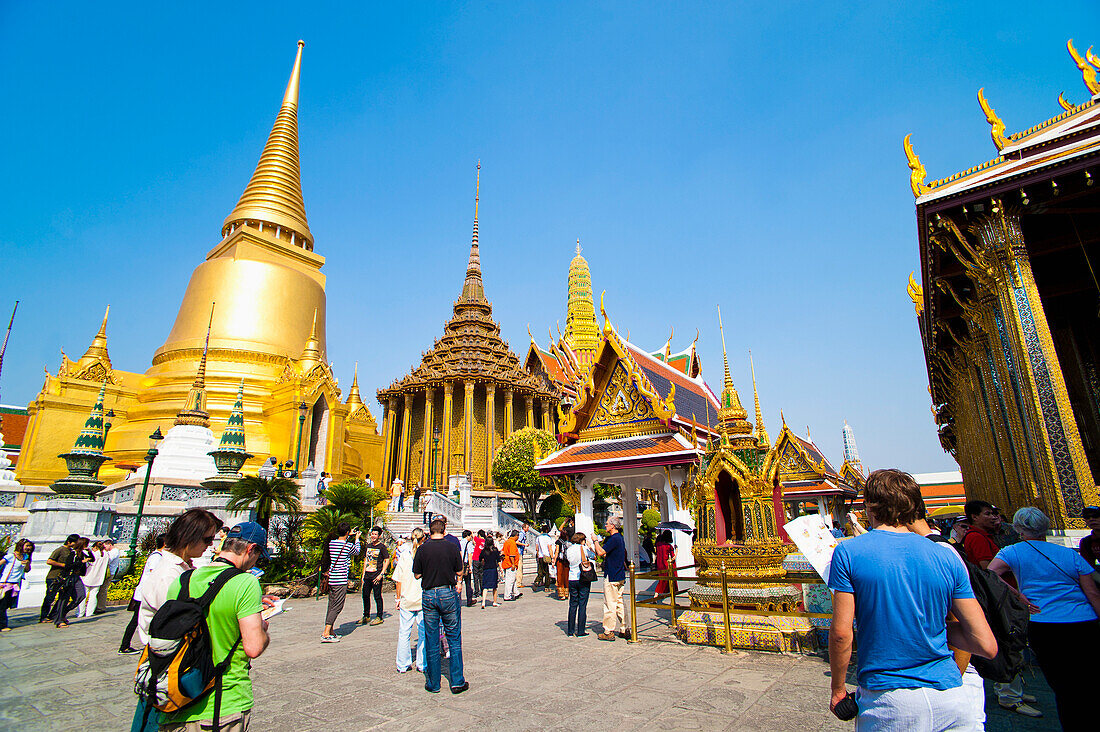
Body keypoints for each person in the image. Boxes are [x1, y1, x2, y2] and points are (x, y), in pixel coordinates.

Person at [828, 469, 996, 730]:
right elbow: (986, 645)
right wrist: (928, 627)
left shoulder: (849, 552)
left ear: (869, 506)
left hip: (890, 700)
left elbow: (841, 633)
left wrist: (838, 688)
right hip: (953, 698)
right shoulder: (947, 555)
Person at [989, 507, 1100, 731]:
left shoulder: (1012, 552)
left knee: (1063, 686)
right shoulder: (1069, 554)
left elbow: (989, 575)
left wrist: (1018, 595)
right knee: (1089, 680)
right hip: (1084, 622)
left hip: (1044, 622)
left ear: (1018, 529)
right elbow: (1093, 594)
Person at [159, 522, 273, 732]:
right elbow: (254, 648)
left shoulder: (183, 580)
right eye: (258, 555)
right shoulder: (245, 583)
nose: (255, 561)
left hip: (176, 699)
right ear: (250, 550)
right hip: (222, 703)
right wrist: (263, 629)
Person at [132, 509, 224, 731]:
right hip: (168, 664)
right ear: (189, 536)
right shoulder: (168, 574)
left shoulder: (182, 567)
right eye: (207, 539)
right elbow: (176, 622)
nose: (210, 546)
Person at [961, 498, 1033, 715]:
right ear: (974, 517)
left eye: (994, 514)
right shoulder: (977, 539)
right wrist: (1016, 595)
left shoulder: (986, 537)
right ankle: (1009, 693)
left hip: (999, 595)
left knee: (1011, 641)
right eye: (988, 514)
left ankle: (1014, 686)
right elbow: (990, 572)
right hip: (997, 597)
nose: (994, 518)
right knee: (1005, 640)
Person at [413, 517, 467, 695]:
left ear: (429, 531)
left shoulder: (422, 549)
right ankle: (457, 682)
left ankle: (434, 683)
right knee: (453, 637)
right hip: (448, 592)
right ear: (444, 531)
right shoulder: (452, 546)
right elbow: (460, 571)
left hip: (429, 594)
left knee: (431, 638)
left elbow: (417, 575)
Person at [120, 534, 165, 654]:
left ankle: (131, 645)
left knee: (141, 620)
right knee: (136, 620)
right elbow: (154, 574)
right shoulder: (156, 557)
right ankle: (124, 646)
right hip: (145, 594)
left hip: (146, 593)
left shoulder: (159, 556)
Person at [321, 523, 360, 642]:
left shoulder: (332, 543)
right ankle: (326, 632)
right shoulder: (348, 546)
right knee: (338, 605)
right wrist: (356, 539)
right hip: (341, 579)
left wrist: (349, 534)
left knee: (331, 604)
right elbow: (357, 551)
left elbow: (342, 542)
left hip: (332, 578)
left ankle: (331, 630)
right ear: (347, 532)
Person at [394, 527, 426, 674]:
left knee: (404, 633)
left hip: (406, 598)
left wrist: (398, 597)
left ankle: (402, 664)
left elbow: (398, 580)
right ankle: (422, 663)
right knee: (423, 633)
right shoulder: (426, 554)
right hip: (422, 598)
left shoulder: (404, 556)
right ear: (423, 538)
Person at [594, 517, 627, 641]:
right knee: (619, 603)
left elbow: (601, 552)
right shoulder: (619, 538)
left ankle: (608, 631)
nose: (605, 525)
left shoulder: (614, 538)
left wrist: (595, 541)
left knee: (610, 604)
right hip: (619, 575)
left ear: (613, 526)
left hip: (612, 575)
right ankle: (624, 628)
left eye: (607, 524)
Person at [39, 534, 78, 624]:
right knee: (50, 597)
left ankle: (53, 615)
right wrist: (63, 565)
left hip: (65, 578)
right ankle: (43, 616)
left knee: (62, 597)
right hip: (54, 577)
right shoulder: (60, 550)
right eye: (74, 543)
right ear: (69, 542)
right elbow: (49, 561)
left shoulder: (72, 552)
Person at [356, 526, 390, 627]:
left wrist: (381, 574)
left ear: (379, 536)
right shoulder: (368, 546)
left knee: (377, 596)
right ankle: (366, 615)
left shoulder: (382, 547)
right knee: (365, 596)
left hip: (376, 575)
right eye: (372, 534)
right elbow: (366, 560)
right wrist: (363, 575)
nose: (373, 536)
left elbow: (387, 560)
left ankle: (379, 616)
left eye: (375, 534)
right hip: (368, 574)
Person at [565, 532, 596, 637]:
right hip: (583, 577)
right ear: (582, 540)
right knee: (582, 604)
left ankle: (570, 630)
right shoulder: (583, 549)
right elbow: (594, 556)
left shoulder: (569, 550)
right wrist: (589, 546)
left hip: (572, 577)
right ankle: (581, 630)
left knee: (573, 604)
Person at [0, 539, 33, 632]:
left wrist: (27, 563)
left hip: (15, 584)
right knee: (2, 605)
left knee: (7, 605)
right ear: (20, 545)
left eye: (29, 546)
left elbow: (27, 570)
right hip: (5, 584)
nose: (28, 548)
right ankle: (2, 625)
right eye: (26, 546)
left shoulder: (25, 557)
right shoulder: (10, 556)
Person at [78, 540, 111, 618]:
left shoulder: (93, 554)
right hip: (99, 577)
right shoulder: (106, 555)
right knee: (93, 596)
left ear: (95, 547)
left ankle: (80, 612)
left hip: (88, 576)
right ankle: (89, 612)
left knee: (84, 595)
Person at [95, 538, 121, 614]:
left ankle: (100, 607)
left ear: (110, 545)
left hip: (109, 573)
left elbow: (108, 559)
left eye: (105, 546)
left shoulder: (114, 551)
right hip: (105, 573)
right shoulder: (110, 551)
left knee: (103, 590)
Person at [554, 519, 574, 601]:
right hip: (568, 560)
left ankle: (561, 593)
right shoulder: (570, 541)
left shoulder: (559, 541)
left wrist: (553, 560)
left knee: (560, 576)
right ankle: (566, 592)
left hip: (560, 560)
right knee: (567, 576)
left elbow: (557, 551)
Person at [479, 536, 502, 608]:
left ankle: (483, 602)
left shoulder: (484, 551)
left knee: (485, 586)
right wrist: (501, 568)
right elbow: (498, 560)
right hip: (493, 568)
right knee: (494, 586)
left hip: (486, 569)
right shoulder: (495, 550)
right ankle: (494, 602)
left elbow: (480, 558)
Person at [654, 530, 676, 595]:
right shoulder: (669, 546)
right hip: (667, 565)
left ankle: (656, 595)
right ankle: (672, 598)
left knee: (661, 580)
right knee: (670, 581)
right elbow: (673, 557)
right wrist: (676, 550)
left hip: (659, 565)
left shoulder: (658, 545)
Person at [501, 531, 522, 601]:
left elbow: (502, 552)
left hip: (506, 562)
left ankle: (516, 593)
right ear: (516, 536)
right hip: (510, 564)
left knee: (513, 579)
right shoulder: (512, 543)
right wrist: (513, 564)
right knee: (510, 580)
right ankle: (507, 596)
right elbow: (512, 555)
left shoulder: (507, 541)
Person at [534, 524, 554, 591]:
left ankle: (537, 580)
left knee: (540, 570)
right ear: (547, 530)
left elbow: (537, 548)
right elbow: (550, 548)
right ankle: (546, 586)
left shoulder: (538, 538)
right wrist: (552, 557)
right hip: (546, 555)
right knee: (546, 572)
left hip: (540, 556)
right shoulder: (548, 538)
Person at [1080, 505, 1100, 569]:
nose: (1091, 519)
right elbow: (1087, 568)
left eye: (1095, 516)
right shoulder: (1086, 542)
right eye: (1087, 517)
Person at [460, 530, 476, 607]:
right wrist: (470, 566)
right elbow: (470, 555)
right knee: (468, 583)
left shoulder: (460, 542)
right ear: (467, 536)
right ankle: (469, 600)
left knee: (459, 582)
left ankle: (458, 599)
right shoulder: (468, 543)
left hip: (460, 564)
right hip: (466, 564)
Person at [471, 530, 486, 598]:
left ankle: (476, 591)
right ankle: (482, 590)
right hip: (482, 560)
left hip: (476, 559)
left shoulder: (478, 540)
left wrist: (472, 533)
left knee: (475, 576)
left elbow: (473, 537)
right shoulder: (485, 542)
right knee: (481, 576)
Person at [516, 523, 530, 588]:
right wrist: (525, 545)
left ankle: (519, 582)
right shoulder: (521, 534)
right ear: (524, 528)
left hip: (520, 552)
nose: (528, 529)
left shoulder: (523, 534)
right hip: (519, 552)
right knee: (519, 567)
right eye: (527, 527)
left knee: (520, 567)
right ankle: (518, 583)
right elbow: (517, 542)